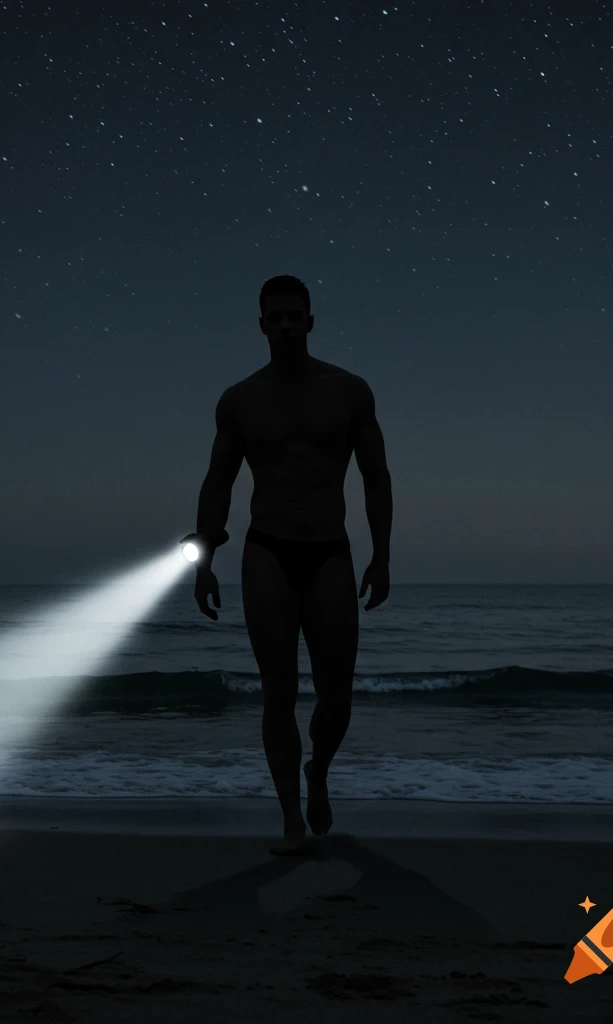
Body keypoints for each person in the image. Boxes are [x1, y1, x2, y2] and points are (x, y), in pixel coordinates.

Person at [191, 274, 393, 855]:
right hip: (267, 550)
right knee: (277, 689)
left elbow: (376, 477)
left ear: (310, 321)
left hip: (330, 550)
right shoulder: (240, 400)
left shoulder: (348, 391)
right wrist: (203, 560)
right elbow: (218, 482)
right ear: (261, 325)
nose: (284, 324)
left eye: (294, 315)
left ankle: (318, 773)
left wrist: (382, 555)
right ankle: (288, 817)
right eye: (274, 316)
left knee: (337, 695)